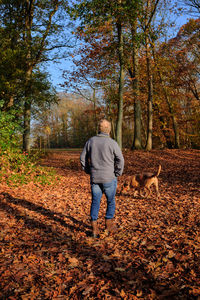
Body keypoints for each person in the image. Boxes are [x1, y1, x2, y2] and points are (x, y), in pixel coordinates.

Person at [80, 119, 124, 238]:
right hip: (109, 178)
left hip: (95, 178)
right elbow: (120, 159)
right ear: (109, 130)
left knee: (95, 201)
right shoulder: (112, 143)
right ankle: (108, 225)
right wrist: (117, 172)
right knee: (110, 201)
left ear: (99, 129)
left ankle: (94, 229)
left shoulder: (90, 141)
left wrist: (88, 170)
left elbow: (82, 158)